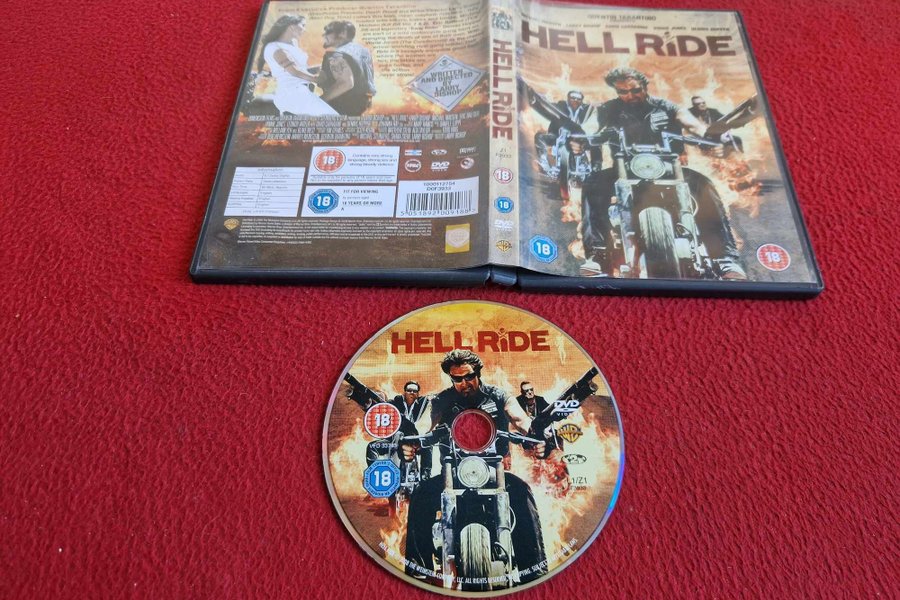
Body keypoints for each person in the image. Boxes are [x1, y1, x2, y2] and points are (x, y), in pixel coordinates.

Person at [580, 67, 747, 280]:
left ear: (645, 86)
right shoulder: (608, 109)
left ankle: (724, 258)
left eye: (635, 90)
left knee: (703, 184)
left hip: (668, 168)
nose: (629, 96)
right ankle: (598, 255)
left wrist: (710, 136)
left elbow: (691, 123)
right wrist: (580, 137)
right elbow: (591, 126)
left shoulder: (666, 107)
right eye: (623, 92)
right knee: (593, 183)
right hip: (625, 167)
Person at [402, 350, 549, 584]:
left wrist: (535, 436)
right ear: (451, 378)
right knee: (421, 495)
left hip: (493, 472)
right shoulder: (442, 400)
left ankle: (533, 571)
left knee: (522, 493)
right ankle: (419, 572)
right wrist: (412, 440)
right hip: (453, 473)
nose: (464, 383)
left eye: (469, 376)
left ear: (478, 373)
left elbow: (520, 420)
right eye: (457, 379)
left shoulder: (498, 396)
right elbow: (424, 423)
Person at [259, 15, 338, 116]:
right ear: (292, 27)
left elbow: (300, 69)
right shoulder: (273, 47)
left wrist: (321, 67)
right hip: (292, 93)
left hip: (300, 92)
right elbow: (293, 70)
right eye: (303, 25)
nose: (304, 29)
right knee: (334, 119)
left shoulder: (293, 43)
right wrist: (316, 79)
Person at [318, 21, 376, 116]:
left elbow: (346, 83)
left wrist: (318, 101)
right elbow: (363, 75)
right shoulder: (363, 51)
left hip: (340, 107)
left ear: (343, 33)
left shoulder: (335, 55)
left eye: (328, 31)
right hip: (362, 105)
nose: (324, 35)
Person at [533, 90, 593, 176]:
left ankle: (584, 165)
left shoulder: (584, 111)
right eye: (573, 98)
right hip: (557, 136)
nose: (575, 100)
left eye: (578, 99)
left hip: (575, 139)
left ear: (581, 101)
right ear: (568, 98)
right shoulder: (561, 106)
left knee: (581, 145)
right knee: (539, 137)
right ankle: (544, 164)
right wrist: (535, 102)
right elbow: (547, 108)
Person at [389, 381, 432, 480]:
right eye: (409, 390)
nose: (412, 393)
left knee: (428, 444)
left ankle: (425, 473)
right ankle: (393, 472)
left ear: (418, 394)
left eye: (414, 391)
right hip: (400, 437)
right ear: (404, 392)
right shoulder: (396, 402)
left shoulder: (423, 403)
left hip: (416, 437)